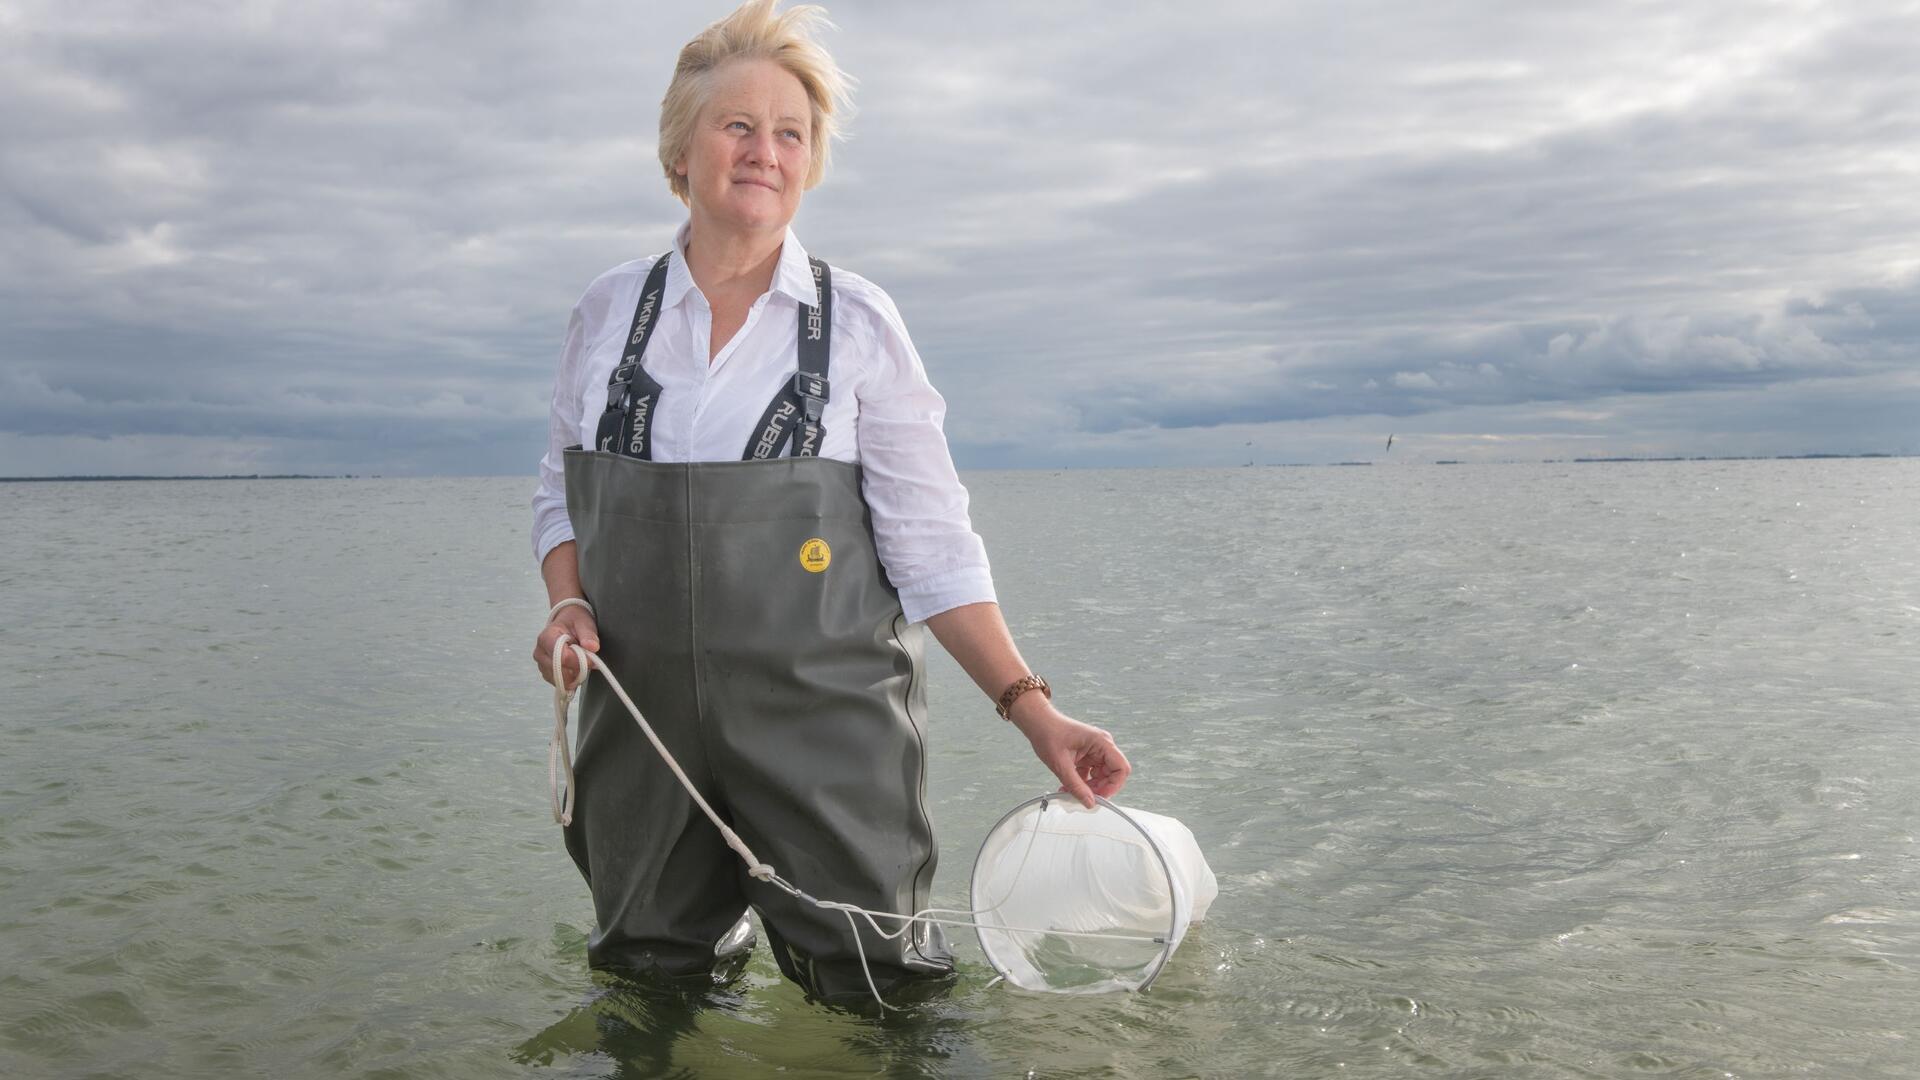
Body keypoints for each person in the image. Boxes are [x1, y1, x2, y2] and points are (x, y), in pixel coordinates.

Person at [529, 0, 1130, 1003]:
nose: (766, 151)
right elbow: (561, 489)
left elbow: (932, 547)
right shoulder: (603, 313)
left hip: (831, 733)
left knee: (882, 993)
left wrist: (1036, 713)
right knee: (644, 986)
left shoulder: (859, 323)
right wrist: (566, 600)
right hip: (638, 733)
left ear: (809, 164)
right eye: (738, 126)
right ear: (681, 152)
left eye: (791, 134)